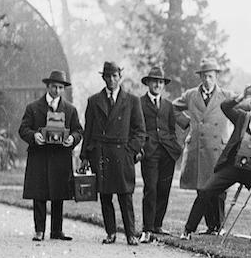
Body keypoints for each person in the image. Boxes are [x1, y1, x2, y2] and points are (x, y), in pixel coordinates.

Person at [178, 84, 251, 238]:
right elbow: (225, 106)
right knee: (206, 192)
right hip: (233, 166)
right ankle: (188, 230)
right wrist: (240, 98)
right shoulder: (241, 116)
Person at [81, 61, 147, 245]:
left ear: (120, 77)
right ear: (103, 77)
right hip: (101, 153)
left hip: (122, 154)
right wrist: (85, 156)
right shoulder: (93, 101)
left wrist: (130, 150)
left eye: (114, 76)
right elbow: (88, 130)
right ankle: (110, 232)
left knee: (125, 195)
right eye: (108, 76)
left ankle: (130, 234)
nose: (111, 79)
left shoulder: (132, 101)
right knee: (105, 195)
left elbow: (140, 130)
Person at [18, 69, 83, 241]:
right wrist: (34, 136)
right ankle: (39, 230)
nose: (57, 91)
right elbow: (23, 129)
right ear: (47, 87)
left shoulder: (70, 110)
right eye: (54, 87)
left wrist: (72, 139)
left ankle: (56, 231)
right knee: (39, 194)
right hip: (39, 156)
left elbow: (78, 130)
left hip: (60, 157)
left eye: (61, 88)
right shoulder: (33, 108)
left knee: (58, 193)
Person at [176, 58, 232, 233]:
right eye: (204, 76)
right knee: (202, 188)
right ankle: (210, 226)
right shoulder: (191, 95)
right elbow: (172, 108)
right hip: (198, 148)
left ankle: (220, 226)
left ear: (216, 76)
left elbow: (245, 110)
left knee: (219, 189)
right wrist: (186, 123)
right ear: (200, 77)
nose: (207, 80)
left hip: (218, 148)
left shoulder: (226, 95)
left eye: (210, 76)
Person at [138, 65, 188, 241]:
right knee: (150, 188)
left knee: (163, 189)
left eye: (160, 82)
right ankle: (147, 228)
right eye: (154, 82)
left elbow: (173, 129)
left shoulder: (168, 105)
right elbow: (137, 128)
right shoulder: (139, 103)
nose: (157, 85)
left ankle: (157, 225)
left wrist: (177, 146)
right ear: (148, 83)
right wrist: (141, 147)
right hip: (149, 152)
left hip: (168, 152)